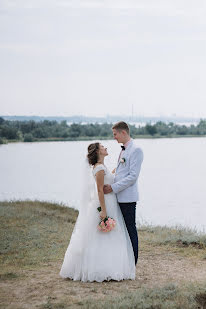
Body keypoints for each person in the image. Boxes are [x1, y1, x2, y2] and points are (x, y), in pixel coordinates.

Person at [59, 142, 135, 282]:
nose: (105, 148)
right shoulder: (99, 168)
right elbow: (99, 190)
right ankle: (101, 268)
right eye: (102, 147)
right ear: (98, 152)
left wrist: (116, 171)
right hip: (105, 203)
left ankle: (111, 266)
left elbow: (108, 178)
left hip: (111, 202)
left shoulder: (102, 167)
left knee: (111, 235)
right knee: (103, 236)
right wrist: (104, 211)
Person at [104, 121, 143, 265]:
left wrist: (113, 188)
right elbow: (121, 172)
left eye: (115, 134)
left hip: (127, 198)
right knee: (121, 231)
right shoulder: (123, 150)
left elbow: (132, 177)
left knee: (130, 229)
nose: (114, 137)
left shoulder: (136, 150)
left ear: (123, 133)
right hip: (118, 197)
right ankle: (124, 262)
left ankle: (133, 262)